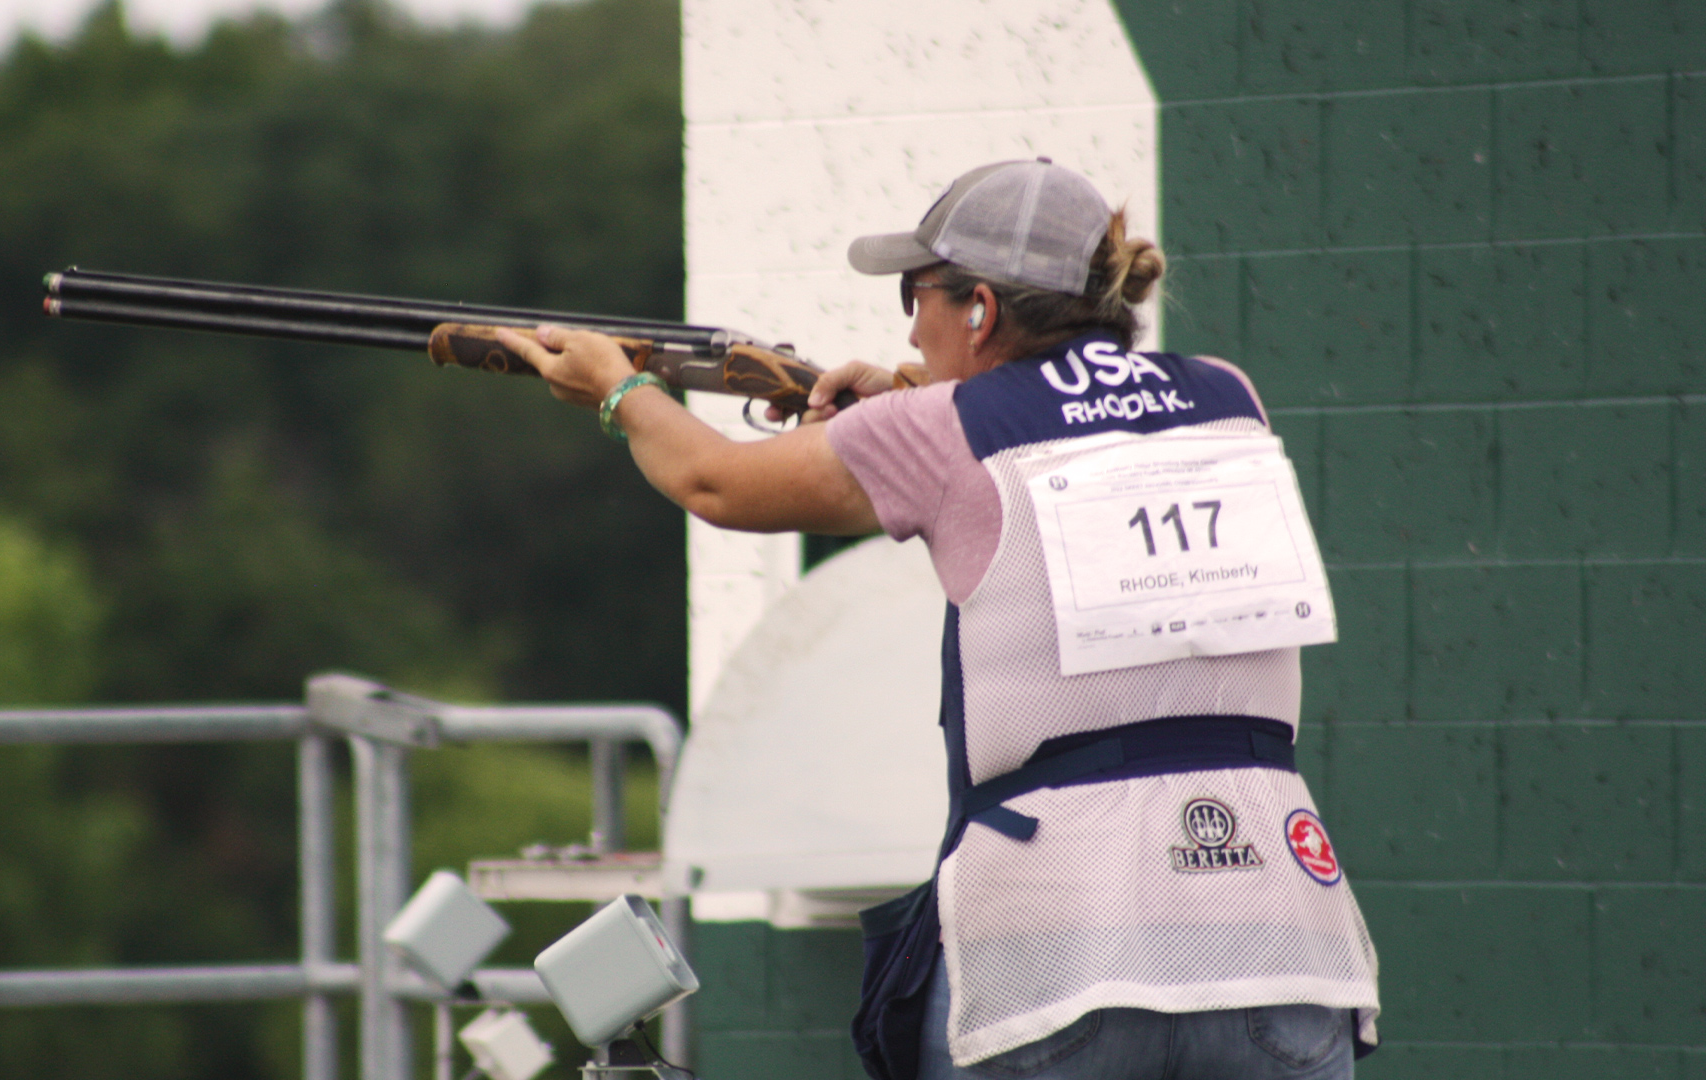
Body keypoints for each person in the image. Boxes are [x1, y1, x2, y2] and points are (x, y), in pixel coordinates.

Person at [501, 159, 1379, 1080]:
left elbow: (712, 480)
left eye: (918, 293)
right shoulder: (1228, 394)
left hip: (1056, 958)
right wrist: (909, 401)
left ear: (981, 311)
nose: (912, 320)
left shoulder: (940, 429)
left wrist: (617, 390)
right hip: (1279, 937)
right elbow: (1077, 424)